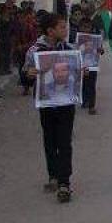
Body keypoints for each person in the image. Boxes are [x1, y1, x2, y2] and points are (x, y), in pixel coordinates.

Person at [24, 11, 79, 203]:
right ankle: (53, 175)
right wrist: (29, 74)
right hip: (47, 104)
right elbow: (25, 74)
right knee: (50, 140)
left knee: (64, 142)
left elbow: (75, 72)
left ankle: (64, 183)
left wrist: (83, 70)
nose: (65, 30)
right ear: (50, 30)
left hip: (65, 104)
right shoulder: (35, 51)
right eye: (62, 27)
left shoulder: (69, 49)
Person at [14, 5, 39, 95]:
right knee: (21, 69)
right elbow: (16, 38)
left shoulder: (32, 27)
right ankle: (25, 87)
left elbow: (34, 41)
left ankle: (29, 86)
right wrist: (17, 46)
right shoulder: (19, 27)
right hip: (21, 52)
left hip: (29, 52)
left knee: (29, 69)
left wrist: (24, 46)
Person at [0, 0, 19, 75]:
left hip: (13, 31)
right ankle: (2, 68)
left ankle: (8, 66)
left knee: (11, 50)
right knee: (3, 51)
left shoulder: (15, 8)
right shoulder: (2, 6)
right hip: (3, 32)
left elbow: (17, 19)